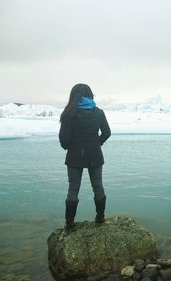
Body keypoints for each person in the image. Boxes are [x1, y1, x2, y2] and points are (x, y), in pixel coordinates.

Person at [59, 84, 111, 230]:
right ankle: (100, 219)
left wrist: (70, 147)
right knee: (98, 187)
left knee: (73, 188)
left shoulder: (69, 113)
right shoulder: (99, 113)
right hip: (95, 154)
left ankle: (69, 224)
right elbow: (107, 133)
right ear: (90, 95)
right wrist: (96, 143)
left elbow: (63, 138)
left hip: (74, 155)